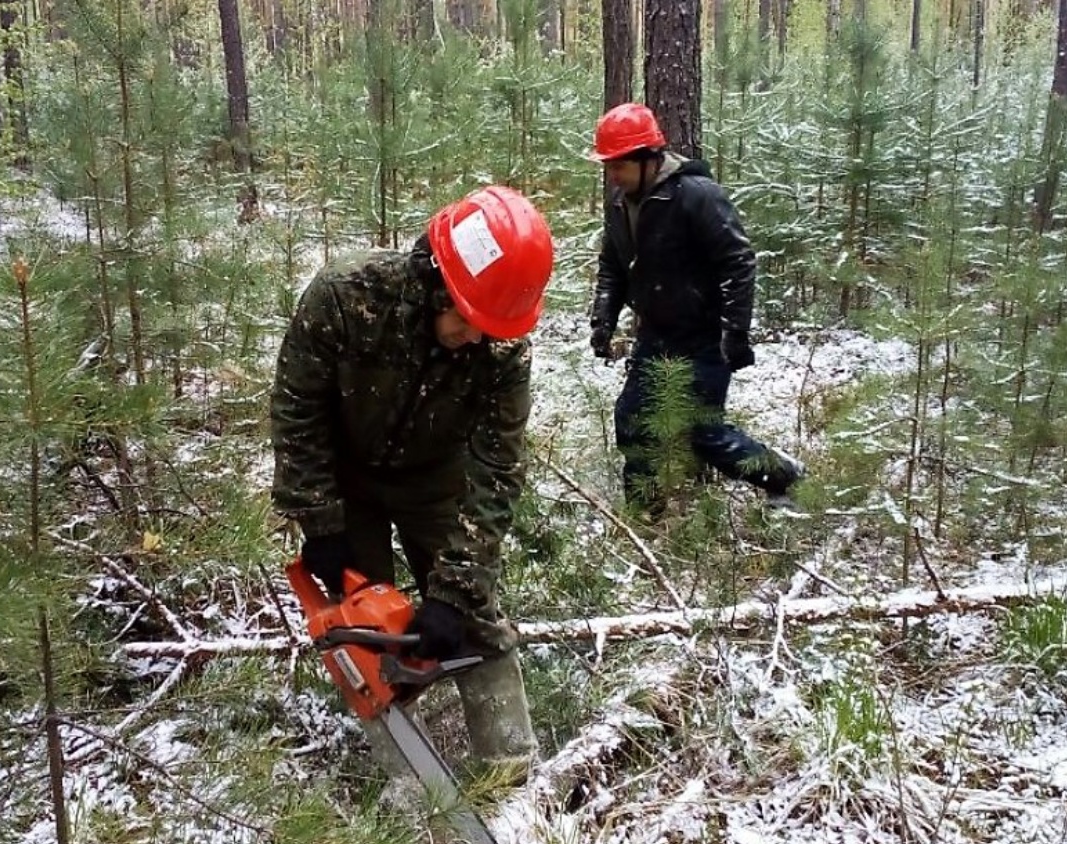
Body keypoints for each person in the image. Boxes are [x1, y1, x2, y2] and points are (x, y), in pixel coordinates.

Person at [270, 184, 553, 776]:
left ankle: (515, 770)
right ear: (435, 281)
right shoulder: (346, 297)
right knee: (365, 627)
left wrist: (452, 590)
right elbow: (299, 407)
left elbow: (497, 467)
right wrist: (319, 518)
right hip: (348, 475)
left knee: (473, 617)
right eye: (466, 319)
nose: (475, 337)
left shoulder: (501, 350)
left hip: (436, 478)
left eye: (491, 327)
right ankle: (406, 782)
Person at [588, 102, 803, 515]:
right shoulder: (620, 204)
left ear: (648, 159)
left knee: (705, 434)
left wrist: (735, 331)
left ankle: (781, 475)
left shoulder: (697, 195)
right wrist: (603, 320)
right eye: (608, 165)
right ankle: (644, 519)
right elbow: (612, 265)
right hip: (655, 334)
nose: (612, 174)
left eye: (619, 165)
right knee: (632, 422)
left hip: (703, 336)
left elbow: (738, 261)